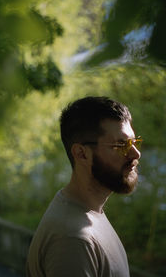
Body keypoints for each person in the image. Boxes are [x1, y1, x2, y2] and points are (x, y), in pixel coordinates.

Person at [26, 96, 142, 277]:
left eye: (134, 142)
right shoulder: (72, 240)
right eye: (121, 144)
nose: (136, 153)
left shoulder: (87, 212)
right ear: (81, 154)